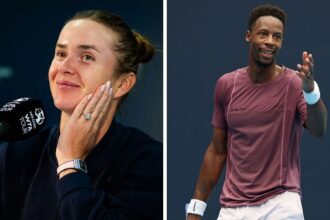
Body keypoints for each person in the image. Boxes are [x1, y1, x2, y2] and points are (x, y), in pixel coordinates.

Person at [0, 10, 162, 220]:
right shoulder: (16, 153)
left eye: (87, 57)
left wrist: (70, 163)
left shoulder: (150, 162)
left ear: (123, 83)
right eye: (60, 54)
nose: (65, 67)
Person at [185, 4, 327, 220]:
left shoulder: (294, 84)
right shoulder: (226, 85)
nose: (270, 41)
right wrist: (196, 207)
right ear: (248, 36)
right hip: (232, 207)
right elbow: (217, 150)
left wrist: (310, 92)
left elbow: (318, 129)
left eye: (277, 37)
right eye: (263, 34)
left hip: (281, 203)